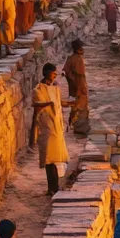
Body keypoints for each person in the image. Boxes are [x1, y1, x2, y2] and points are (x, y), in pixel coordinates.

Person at [32, 63, 68, 194]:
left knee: (56, 158)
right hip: (46, 127)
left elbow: (58, 104)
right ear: (47, 73)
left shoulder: (55, 88)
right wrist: (48, 103)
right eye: (53, 73)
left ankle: (55, 187)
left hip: (57, 126)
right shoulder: (38, 89)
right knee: (48, 159)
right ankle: (51, 188)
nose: (55, 76)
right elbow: (36, 104)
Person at [63, 39, 89, 136]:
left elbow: (65, 72)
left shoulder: (70, 58)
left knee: (74, 107)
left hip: (73, 88)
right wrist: (81, 88)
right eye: (82, 48)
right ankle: (79, 128)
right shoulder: (78, 60)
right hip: (79, 87)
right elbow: (80, 76)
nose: (83, 50)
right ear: (78, 50)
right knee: (80, 108)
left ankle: (71, 125)